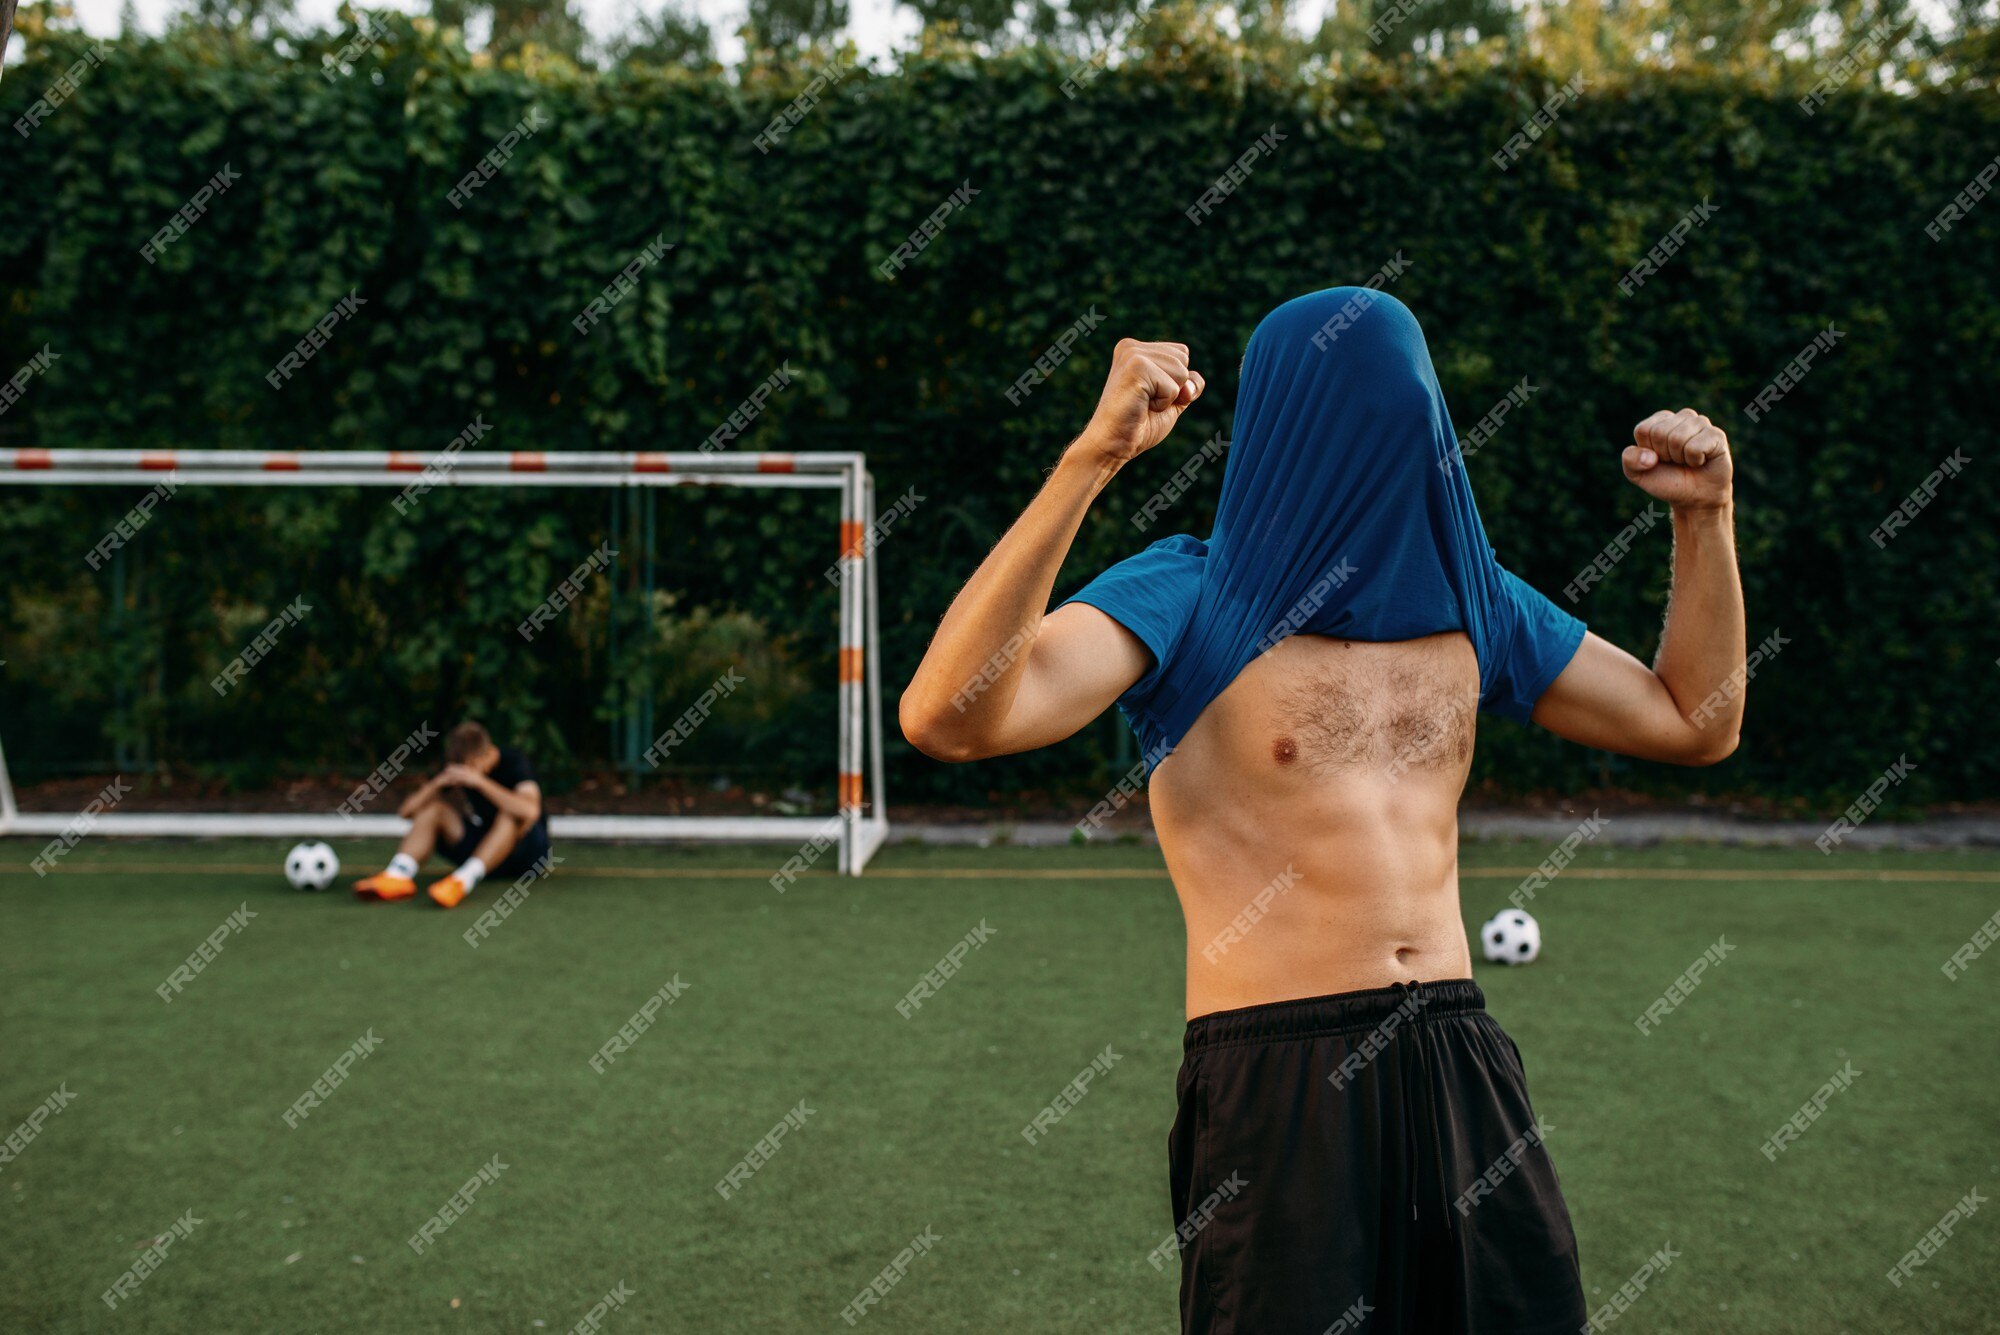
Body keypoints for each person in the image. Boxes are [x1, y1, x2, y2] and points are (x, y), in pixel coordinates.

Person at [898, 287, 1745, 1334]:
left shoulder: (1475, 600)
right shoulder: (1189, 594)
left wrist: (1703, 518)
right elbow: (949, 719)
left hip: (1457, 1055)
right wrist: (1092, 460)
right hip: (1275, 1067)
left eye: (1405, 416)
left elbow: (1691, 721)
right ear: (1281, 428)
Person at [353, 721, 551, 909]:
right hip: (489, 852)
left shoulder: (515, 761)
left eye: (471, 766)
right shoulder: (459, 763)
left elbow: (530, 810)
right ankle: (397, 875)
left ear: (486, 753)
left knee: (511, 815)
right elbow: (406, 812)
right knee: (435, 810)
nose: (466, 773)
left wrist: (480, 782)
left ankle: (462, 881)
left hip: (528, 854)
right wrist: (437, 783)